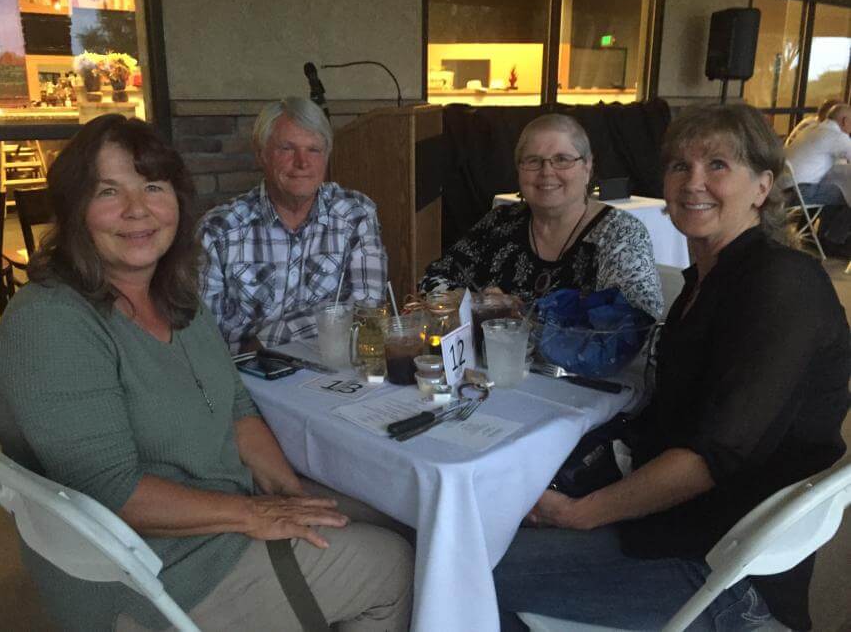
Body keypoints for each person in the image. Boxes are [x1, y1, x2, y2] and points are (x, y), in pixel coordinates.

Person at [0, 114, 412, 631]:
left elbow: (235, 408)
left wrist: (290, 494)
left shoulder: (176, 296)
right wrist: (254, 516)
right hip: (152, 575)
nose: (137, 210)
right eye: (108, 191)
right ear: (74, 209)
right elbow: (111, 489)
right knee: (395, 566)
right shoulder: (51, 322)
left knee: (401, 519)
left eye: (152, 186)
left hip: (216, 518)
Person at [493, 103, 850, 631]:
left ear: (762, 186)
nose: (693, 182)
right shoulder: (708, 282)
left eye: (718, 165)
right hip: (679, 531)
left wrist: (582, 512)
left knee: (471, 567)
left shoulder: (782, 286)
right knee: (488, 534)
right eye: (680, 166)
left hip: (723, 578)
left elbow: (717, 452)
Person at [419, 113, 663, 319]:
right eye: (533, 161)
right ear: (518, 170)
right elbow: (431, 281)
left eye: (562, 160)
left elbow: (635, 323)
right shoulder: (500, 222)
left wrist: (522, 312)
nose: (547, 172)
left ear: (587, 167)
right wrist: (478, 301)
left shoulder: (620, 235)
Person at [199, 97, 388, 353]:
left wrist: (270, 338)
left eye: (314, 150)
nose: (302, 163)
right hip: (244, 377)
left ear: (327, 156)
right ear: (261, 155)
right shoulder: (220, 230)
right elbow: (202, 334)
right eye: (287, 149)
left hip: (330, 371)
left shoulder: (355, 214)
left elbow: (368, 307)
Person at [785, 102, 851, 206]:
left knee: (837, 188)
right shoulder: (837, 136)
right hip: (799, 192)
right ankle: (829, 223)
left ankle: (816, 222)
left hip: (779, 190)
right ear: (845, 121)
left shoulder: (810, 129)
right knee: (847, 193)